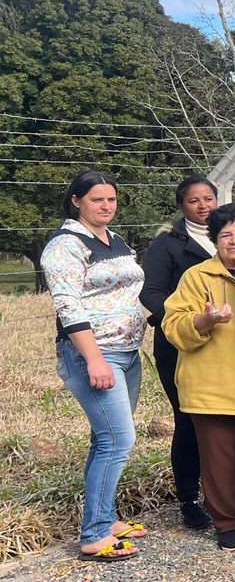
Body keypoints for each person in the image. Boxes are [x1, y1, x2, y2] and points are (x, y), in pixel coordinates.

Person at [41, 171, 149, 563]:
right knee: (118, 441)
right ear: (76, 201)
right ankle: (94, 535)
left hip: (128, 353)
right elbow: (68, 306)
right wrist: (94, 359)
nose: (106, 206)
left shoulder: (113, 240)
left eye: (111, 200)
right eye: (96, 200)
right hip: (95, 355)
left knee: (106, 439)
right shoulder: (65, 246)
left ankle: (105, 517)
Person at [160, 204, 235, 552]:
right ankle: (228, 523)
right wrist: (207, 321)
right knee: (219, 459)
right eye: (225, 235)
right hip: (211, 384)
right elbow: (173, 327)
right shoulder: (197, 276)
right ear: (215, 240)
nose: (234, 241)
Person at [140, 176, 218, 530]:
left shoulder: (234, 236)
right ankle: (189, 499)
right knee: (189, 418)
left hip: (230, 345)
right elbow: (151, 293)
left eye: (208, 199)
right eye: (193, 201)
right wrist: (183, 322)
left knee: (231, 418)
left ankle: (226, 494)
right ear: (181, 206)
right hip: (180, 345)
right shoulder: (167, 245)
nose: (202, 206)